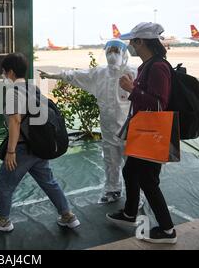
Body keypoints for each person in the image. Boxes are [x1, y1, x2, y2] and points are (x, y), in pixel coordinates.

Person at [0, 52, 80, 232]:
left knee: (5, 183)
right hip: (39, 146)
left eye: (5, 72)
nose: (4, 76)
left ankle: (3, 220)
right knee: (49, 182)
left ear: (11, 72)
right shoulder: (32, 88)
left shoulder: (14, 93)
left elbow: (15, 121)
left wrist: (10, 152)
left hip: (21, 149)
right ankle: (67, 215)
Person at [39, 39, 137, 204]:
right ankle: (113, 189)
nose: (112, 55)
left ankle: (136, 196)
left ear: (124, 54)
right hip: (108, 128)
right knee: (110, 161)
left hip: (129, 128)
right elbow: (75, 75)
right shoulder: (100, 73)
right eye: (110, 51)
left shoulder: (132, 73)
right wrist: (54, 75)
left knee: (132, 164)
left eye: (116, 51)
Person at [106, 22, 177, 244]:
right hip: (144, 131)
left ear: (141, 42)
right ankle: (129, 213)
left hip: (153, 132)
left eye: (132, 41)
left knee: (148, 180)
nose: (130, 46)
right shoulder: (147, 66)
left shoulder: (157, 67)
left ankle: (167, 231)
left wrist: (131, 89)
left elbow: (158, 105)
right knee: (131, 171)